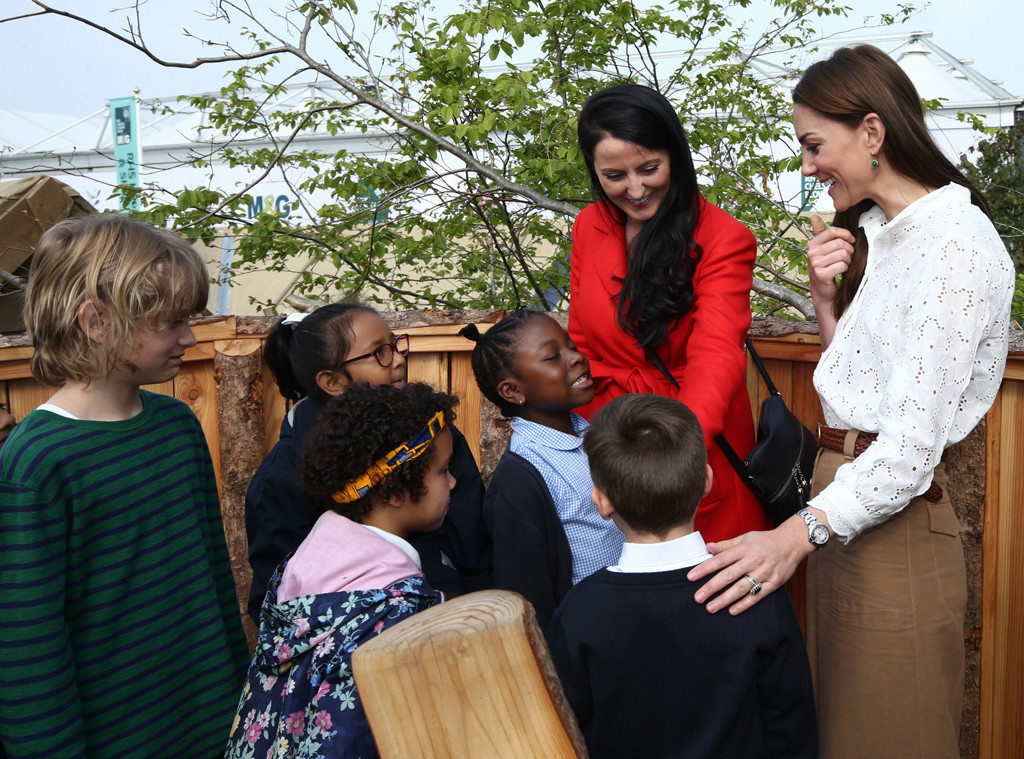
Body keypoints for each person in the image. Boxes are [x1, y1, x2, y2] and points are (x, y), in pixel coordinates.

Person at [687, 45, 1015, 759]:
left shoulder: (954, 245)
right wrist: (825, 303)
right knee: (841, 735)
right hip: (844, 511)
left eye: (814, 145)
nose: (807, 166)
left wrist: (789, 538)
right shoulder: (884, 235)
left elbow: (907, 451)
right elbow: (857, 393)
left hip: (889, 521)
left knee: (887, 739)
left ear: (872, 132)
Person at [0, 214, 249, 758]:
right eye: (172, 321)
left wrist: (241, 699)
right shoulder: (38, 462)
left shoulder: (178, 425)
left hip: (214, 725)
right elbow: (27, 646)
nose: (189, 336)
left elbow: (213, 576)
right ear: (97, 320)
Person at [547, 393, 817, 759]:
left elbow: (565, 730)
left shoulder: (579, 611)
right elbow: (792, 725)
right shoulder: (755, 590)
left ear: (602, 501)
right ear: (706, 480)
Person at [570, 82, 770, 543]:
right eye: (614, 176)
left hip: (692, 437)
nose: (636, 189)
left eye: (649, 168)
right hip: (612, 435)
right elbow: (580, 342)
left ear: (675, 156)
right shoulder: (588, 226)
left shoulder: (723, 236)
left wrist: (678, 455)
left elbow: (717, 352)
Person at [226, 382, 454, 759]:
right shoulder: (390, 616)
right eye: (443, 470)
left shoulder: (303, 566)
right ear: (394, 490)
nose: (453, 481)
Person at [245, 303, 490, 621]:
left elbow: (476, 548)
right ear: (333, 382)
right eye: (379, 353)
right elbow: (281, 603)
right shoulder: (279, 480)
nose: (398, 359)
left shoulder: (433, 435)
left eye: (395, 345)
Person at [461, 311, 624, 629]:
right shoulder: (520, 480)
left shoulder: (596, 436)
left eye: (571, 345)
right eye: (552, 356)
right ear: (512, 391)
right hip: (590, 634)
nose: (576, 357)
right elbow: (529, 597)